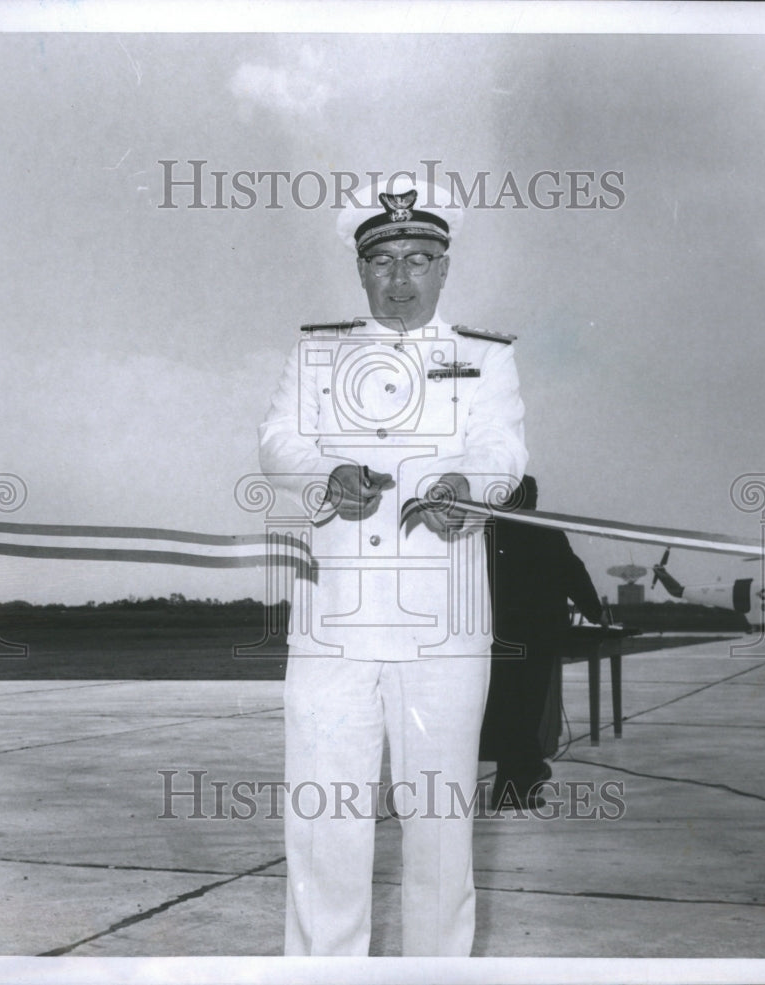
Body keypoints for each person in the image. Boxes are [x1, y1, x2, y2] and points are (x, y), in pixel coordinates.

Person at [258, 178, 528, 956]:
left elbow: (502, 447)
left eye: (418, 259)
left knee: (440, 826)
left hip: (443, 627)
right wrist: (325, 474)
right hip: (333, 627)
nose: (401, 278)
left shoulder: (484, 357)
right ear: (360, 269)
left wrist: (469, 489)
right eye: (384, 261)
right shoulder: (316, 354)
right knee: (323, 822)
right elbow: (278, 440)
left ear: (444, 267)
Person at [479, 475, 607, 810]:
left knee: (505, 709)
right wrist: (597, 613)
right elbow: (573, 573)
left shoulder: (486, 529)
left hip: (494, 637)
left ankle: (520, 777)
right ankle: (517, 784)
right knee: (527, 710)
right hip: (535, 637)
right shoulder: (545, 530)